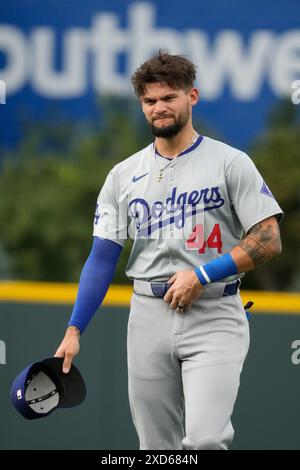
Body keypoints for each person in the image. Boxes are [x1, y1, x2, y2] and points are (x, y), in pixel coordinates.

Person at [55, 50, 283, 450]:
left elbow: (268, 238)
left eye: (169, 97)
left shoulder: (230, 162)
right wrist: (75, 329)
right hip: (148, 314)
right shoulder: (122, 175)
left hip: (214, 310)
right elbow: (102, 257)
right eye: (150, 100)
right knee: (156, 447)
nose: (159, 107)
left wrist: (203, 274)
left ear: (191, 96)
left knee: (207, 440)